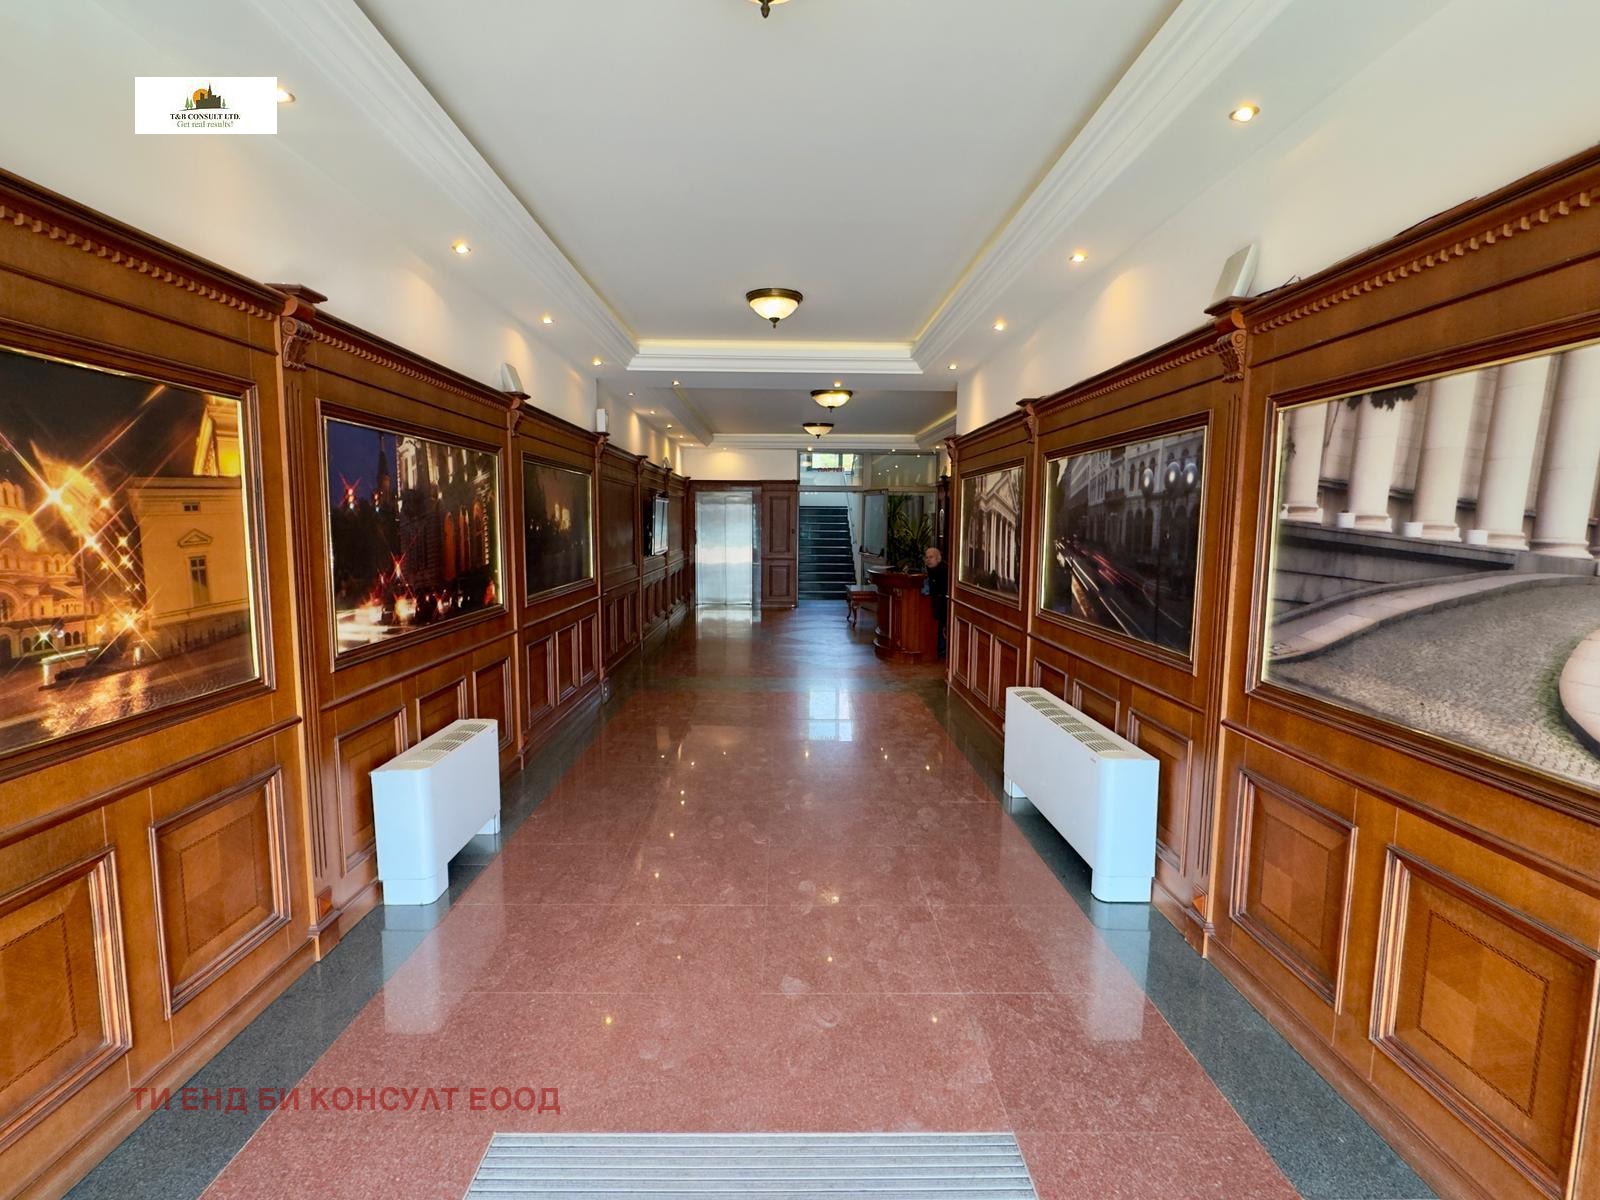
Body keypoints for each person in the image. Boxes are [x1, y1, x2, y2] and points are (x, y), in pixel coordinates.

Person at [922, 546, 949, 658]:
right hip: (933, 603)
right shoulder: (927, 571)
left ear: (938, 558)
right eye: (926, 557)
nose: (928, 560)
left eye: (931, 557)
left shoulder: (945, 570)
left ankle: (941, 647)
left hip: (944, 604)